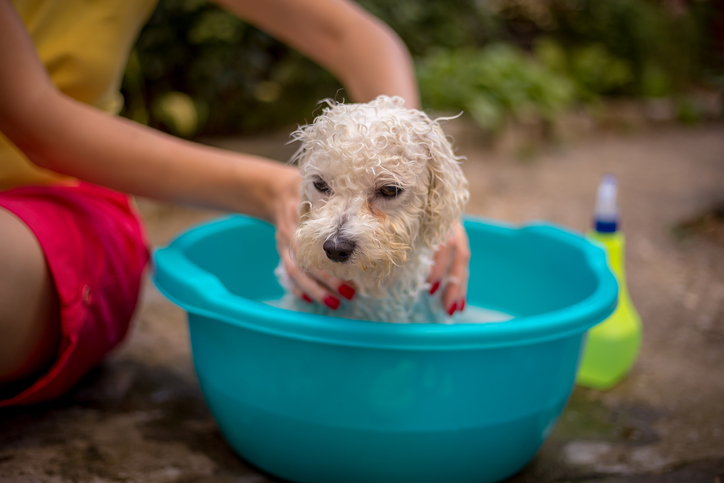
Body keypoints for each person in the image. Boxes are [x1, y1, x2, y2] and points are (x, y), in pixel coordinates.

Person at [0, 0, 470, 406]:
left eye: (387, 192)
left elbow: (351, 32)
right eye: (322, 188)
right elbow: (26, 116)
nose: (339, 236)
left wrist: (406, 146)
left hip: (60, 199)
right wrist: (273, 188)